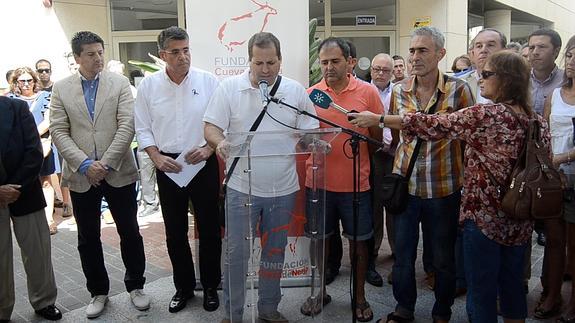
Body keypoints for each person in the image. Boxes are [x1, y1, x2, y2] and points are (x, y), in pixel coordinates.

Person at [351, 50, 545, 323]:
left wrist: (378, 119)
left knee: (481, 291)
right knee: (512, 287)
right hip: (520, 218)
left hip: (485, 220)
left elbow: (432, 124)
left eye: (487, 74)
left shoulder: (486, 115)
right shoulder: (536, 120)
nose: (481, 79)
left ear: (507, 79)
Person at [359, 26, 473, 323]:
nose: (414, 56)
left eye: (422, 50)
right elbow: (397, 136)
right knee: (403, 256)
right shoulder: (399, 91)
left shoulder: (459, 91)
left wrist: (381, 118)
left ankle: (442, 312)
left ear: (441, 54)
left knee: (443, 259)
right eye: (411, 50)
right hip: (406, 187)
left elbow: (464, 136)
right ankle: (404, 309)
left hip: (444, 188)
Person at [204, 31, 319, 323]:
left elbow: (308, 132)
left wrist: (315, 143)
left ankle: (268, 308)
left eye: (271, 63)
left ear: (280, 61)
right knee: (235, 254)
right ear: (249, 61)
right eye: (259, 63)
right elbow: (211, 127)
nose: (265, 69)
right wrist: (220, 143)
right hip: (242, 186)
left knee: (274, 251)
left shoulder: (294, 91)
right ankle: (233, 313)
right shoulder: (229, 88)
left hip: (282, 187)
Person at [49, 31, 149, 319]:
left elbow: (127, 125)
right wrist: (84, 165)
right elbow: (58, 130)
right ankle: (98, 291)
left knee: (129, 231)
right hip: (82, 177)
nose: (98, 58)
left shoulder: (119, 83)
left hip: (117, 170)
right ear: (78, 57)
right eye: (91, 54)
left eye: (100, 52)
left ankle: (136, 286)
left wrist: (103, 163)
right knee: (88, 236)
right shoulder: (62, 88)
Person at [135, 26, 221, 313]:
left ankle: (210, 286)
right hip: (168, 165)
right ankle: (183, 288)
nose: (183, 56)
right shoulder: (148, 86)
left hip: (203, 162)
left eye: (186, 50)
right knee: (174, 232)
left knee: (209, 229)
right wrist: (156, 157)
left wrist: (209, 149)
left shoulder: (209, 82)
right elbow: (142, 128)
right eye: (175, 52)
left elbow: (224, 123)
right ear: (163, 55)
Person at [301, 37, 384, 322]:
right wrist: (310, 140)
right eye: (324, 62)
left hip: (356, 186)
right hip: (318, 183)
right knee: (318, 242)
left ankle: (359, 297)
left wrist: (367, 125)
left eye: (334, 61)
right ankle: (318, 291)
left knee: (359, 243)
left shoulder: (368, 92)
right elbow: (301, 139)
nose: (328, 67)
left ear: (349, 62)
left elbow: (378, 144)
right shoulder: (311, 94)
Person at [0, 96, 62, 322]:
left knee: (38, 251)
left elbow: (34, 150)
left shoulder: (16, 108)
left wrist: (14, 187)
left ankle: (44, 301)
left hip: (24, 191)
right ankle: (2, 310)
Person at [538, 34, 575, 321]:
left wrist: (563, 159)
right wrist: (549, 165)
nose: (573, 61)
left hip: (572, 176)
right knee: (553, 239)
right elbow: (546, 136)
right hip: (553, 179)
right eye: (572, 55)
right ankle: (551, 294)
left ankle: (572, 303)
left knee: (573, 246)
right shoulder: (555, 95)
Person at [8, 67, 59, 234]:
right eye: (22, 81)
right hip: (17, 151)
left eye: (29, 80)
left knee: (45, 181)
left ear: (34, 81)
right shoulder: (10, 100)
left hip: (41, 146)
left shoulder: (46, 97)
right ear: (16, 83)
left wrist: (30, 137)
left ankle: (49, 219)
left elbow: (49, 120)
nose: (26, 84)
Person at [370, 52, 396, 280]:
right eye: (376, 69)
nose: (380, 73)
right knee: (374, 206)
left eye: (385, 70)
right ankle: (374, 251)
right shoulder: (364, 91)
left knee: (396, 205)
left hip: (396, 154)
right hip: (375, 155)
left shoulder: (399, 92)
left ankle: (397, 252)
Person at [460, 28, 507, 103]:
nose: (483, 50)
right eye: (479, 46)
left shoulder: (514, 82)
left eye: (490, 45)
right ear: (472, 53)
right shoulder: (459, 83)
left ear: (504, 51)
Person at [528, 28, 564, 115]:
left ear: (556, 51)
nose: (535, 52)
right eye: (531, 48)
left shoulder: (567, 81)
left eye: (541, 47)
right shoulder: (519, 80)